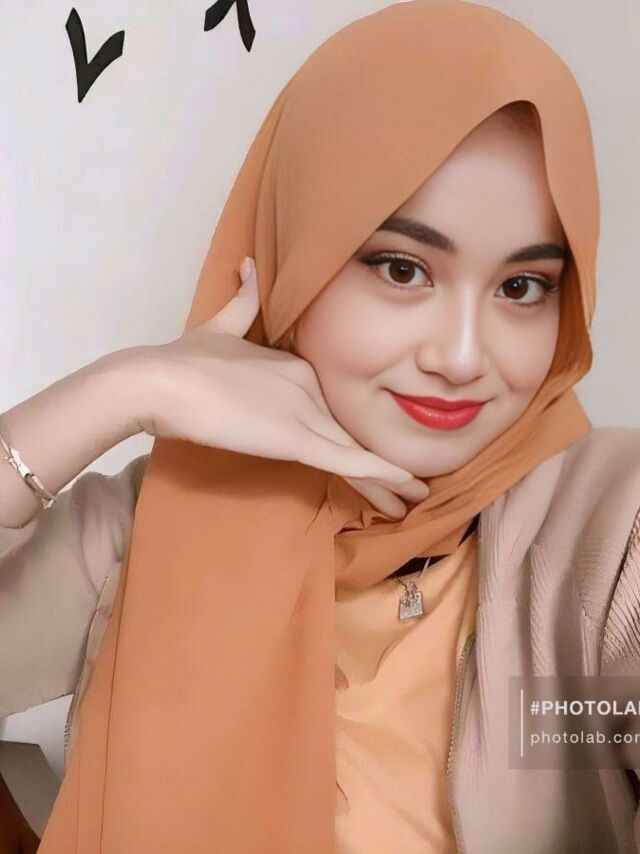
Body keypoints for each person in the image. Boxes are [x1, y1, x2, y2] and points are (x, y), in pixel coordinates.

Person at [0, 1, 638, 851]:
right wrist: (123, 389)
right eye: (402, 269)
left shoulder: (607, 533)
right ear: (295, 263)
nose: (460, 357)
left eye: (522, 288)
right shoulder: (152, 526)